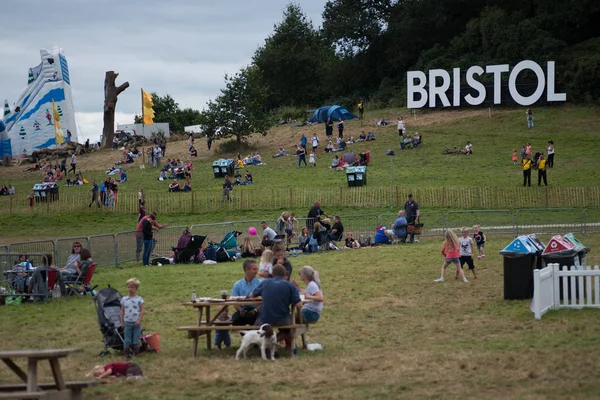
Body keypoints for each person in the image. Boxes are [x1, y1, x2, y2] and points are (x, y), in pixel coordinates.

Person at [250, 264, 302, 349]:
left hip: (265, 318)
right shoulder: (290, 285)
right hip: (282, 319)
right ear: (285, 275)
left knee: (255, 326)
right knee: (287, 330)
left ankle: (264, 343)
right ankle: (273, 341)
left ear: (272, 274)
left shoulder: (265, 283)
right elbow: (299, 305)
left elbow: (251, 295)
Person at [231, 259, 262, 327]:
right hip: (244, 311)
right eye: (254, 269)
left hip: (257, 311)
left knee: (261, 320)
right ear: (246, 270)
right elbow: (233, 300)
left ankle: (251, 335)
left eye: (257, 269)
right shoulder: (238, 284)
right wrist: (240, 309)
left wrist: (255, 310)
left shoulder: (260, 283)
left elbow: (265, 300)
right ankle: (247, 336)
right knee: (235, 320)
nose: (257, 271)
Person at [120, 278, 145, 360]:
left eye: (132, 287)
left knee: (136, 339)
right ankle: (127, 355)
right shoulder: (124, 299)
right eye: (128, 287)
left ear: (136, 289)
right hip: (127, 322)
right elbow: (122, 311)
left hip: (136, 323)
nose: (130, 289)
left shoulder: (139, 299)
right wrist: (122, 322)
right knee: (127, 339)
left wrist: (139, 321)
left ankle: (136, 353)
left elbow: (142, 311)